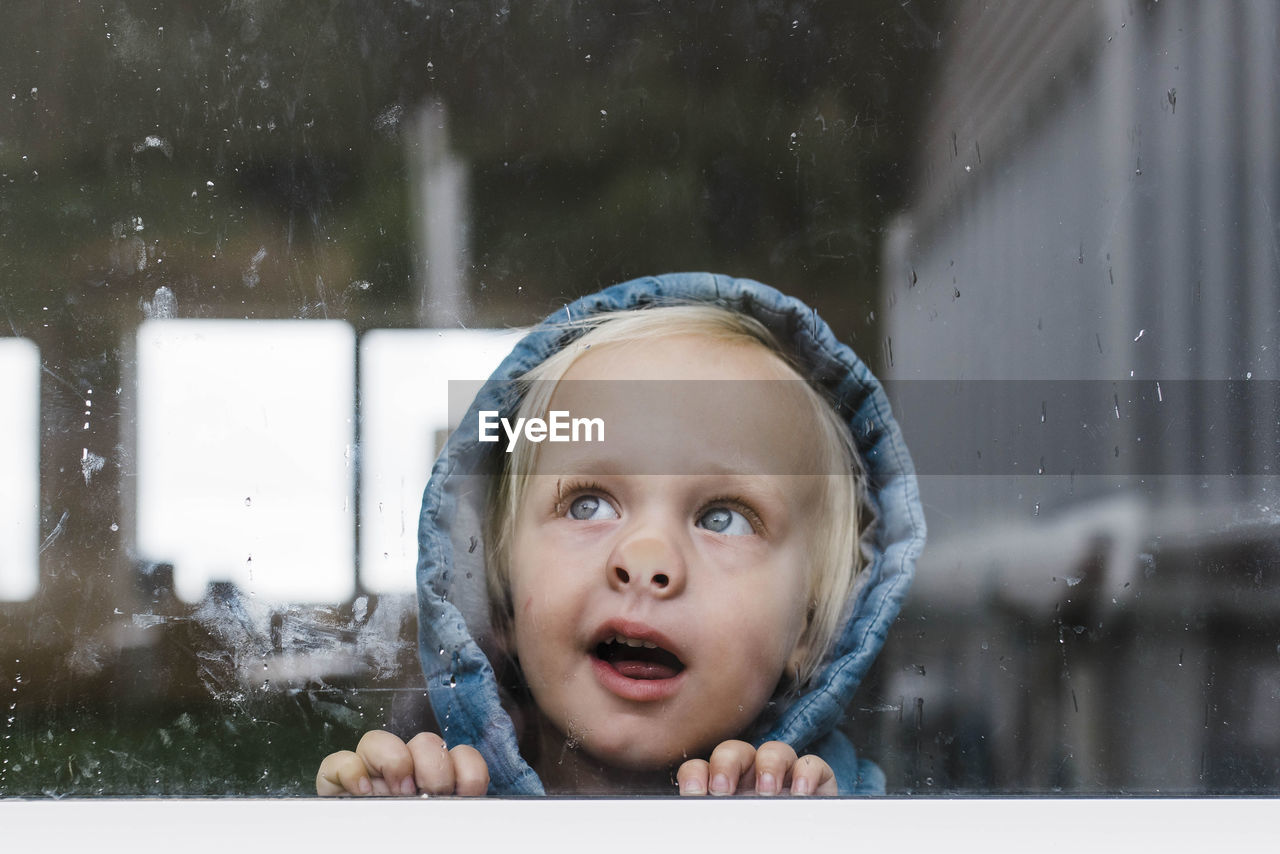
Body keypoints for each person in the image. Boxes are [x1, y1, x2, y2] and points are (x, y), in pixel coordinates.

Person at [316, 273, 925, 796]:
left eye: (724, 517)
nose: (647, 560)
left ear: (811, 626)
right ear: (497, 593)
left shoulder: (836, 815)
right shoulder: (437, 802)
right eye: (587, 505)